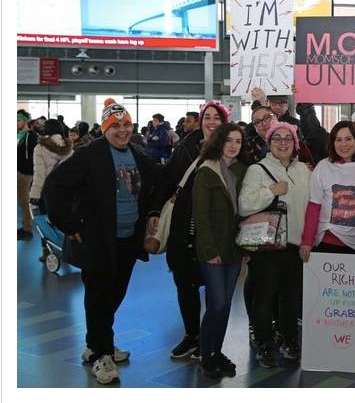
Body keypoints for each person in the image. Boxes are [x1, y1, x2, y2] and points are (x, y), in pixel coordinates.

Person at [43, 102, 158, 385]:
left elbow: (160, 179)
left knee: (113, 296)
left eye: (126, 125)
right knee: (98, 299)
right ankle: (100, 356)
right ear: (106, 129)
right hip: (97, 241)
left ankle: (99, 344)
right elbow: (53, 187)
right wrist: (69, 224)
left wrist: (154, 211)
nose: (122, 131)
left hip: (127, 241)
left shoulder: (136, 154)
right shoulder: (89, 155)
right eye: (115, 126)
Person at [150, 100, 231, 360]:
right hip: (184, 226)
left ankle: (208, 340)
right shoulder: (186, 147)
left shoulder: (232, 148)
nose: (211, 122)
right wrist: (154, 211)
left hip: (216, 231)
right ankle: (191, 336)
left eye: (216, 117)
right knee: (185, 284)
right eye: (207, 116)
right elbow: (166, 179)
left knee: (214, 289)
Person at [239, 122, 310, 368]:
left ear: (295, 144)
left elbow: (312, 207)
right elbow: (244, 205)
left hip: (294, 248)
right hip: (267, 249)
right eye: (277, 138)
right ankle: (264, 344)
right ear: (269, 144)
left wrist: (308, 241)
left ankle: (289, 339)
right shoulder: (257, 170)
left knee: (290, 299)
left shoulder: (304, 170)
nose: (282, 143)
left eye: (287, 139)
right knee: (264, 300)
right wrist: (271, 190)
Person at [192, 123, 250, 379]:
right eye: (229, 140)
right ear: (219, 141)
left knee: (225, 304)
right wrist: (208, 249)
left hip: (234, 248)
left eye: (238, 141)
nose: (233, 145)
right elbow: (200, 216)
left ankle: (216, 351)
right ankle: (206, 354)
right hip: (213, 249)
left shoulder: (241, 169)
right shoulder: (206, 171)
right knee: (216, 304)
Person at [299, 121, 355, 258]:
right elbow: (313, 207)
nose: (344, 144)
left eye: (348, 139)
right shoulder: (323, 167)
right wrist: (307, 241)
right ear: (332, 143)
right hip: (326, 240)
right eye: (338, 140)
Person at [29, 119, 73, 233]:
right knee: (64, 223)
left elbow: (39, 174)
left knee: (47, 224)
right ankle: (65, 248)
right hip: (66, 192)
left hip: (48, 192)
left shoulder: (39, 148)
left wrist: (34, 196)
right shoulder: (69, 149)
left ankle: (48, 248)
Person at [17, 109, 38, 240]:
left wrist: (22, 170)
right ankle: (25, 226)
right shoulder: (19, 135)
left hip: (25, 173)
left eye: (18, 120)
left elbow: (31, 157)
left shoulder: (30, 136)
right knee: (21, 201)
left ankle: (28, 229)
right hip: (19, 172)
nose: (16, 123)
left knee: (24, 201)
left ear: (25, 121)